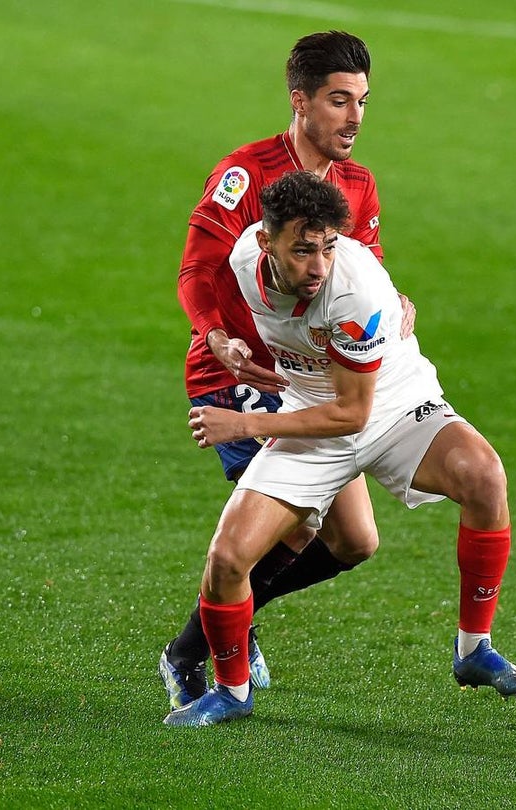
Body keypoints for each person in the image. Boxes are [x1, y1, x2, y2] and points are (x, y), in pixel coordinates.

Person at [163, 172, 516, 727]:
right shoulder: (243, 261)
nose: (317, 266)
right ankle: (232, 691)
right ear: (266, 244)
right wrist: (224, 342)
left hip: (389, 402)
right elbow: (203, 280)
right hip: (315, 406)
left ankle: (473, 649)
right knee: (227, 558)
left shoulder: (352, 292)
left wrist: (243, 423)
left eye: (328, 246)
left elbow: (353, 415)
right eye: (302, 249)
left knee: (483, 475)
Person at [160, 30, 415, 709]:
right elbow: (196, 269)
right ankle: (196, 653)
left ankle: (225, 618)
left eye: (362, 101)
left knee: (356, 540)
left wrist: (397, 305)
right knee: (298, 524)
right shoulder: (246, 174)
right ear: (299, 101)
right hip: (242, 375)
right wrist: (215, 335)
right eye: (338, 101)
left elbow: (367, 275)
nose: (354, 118)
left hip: (308, 381)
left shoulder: (358, 186)